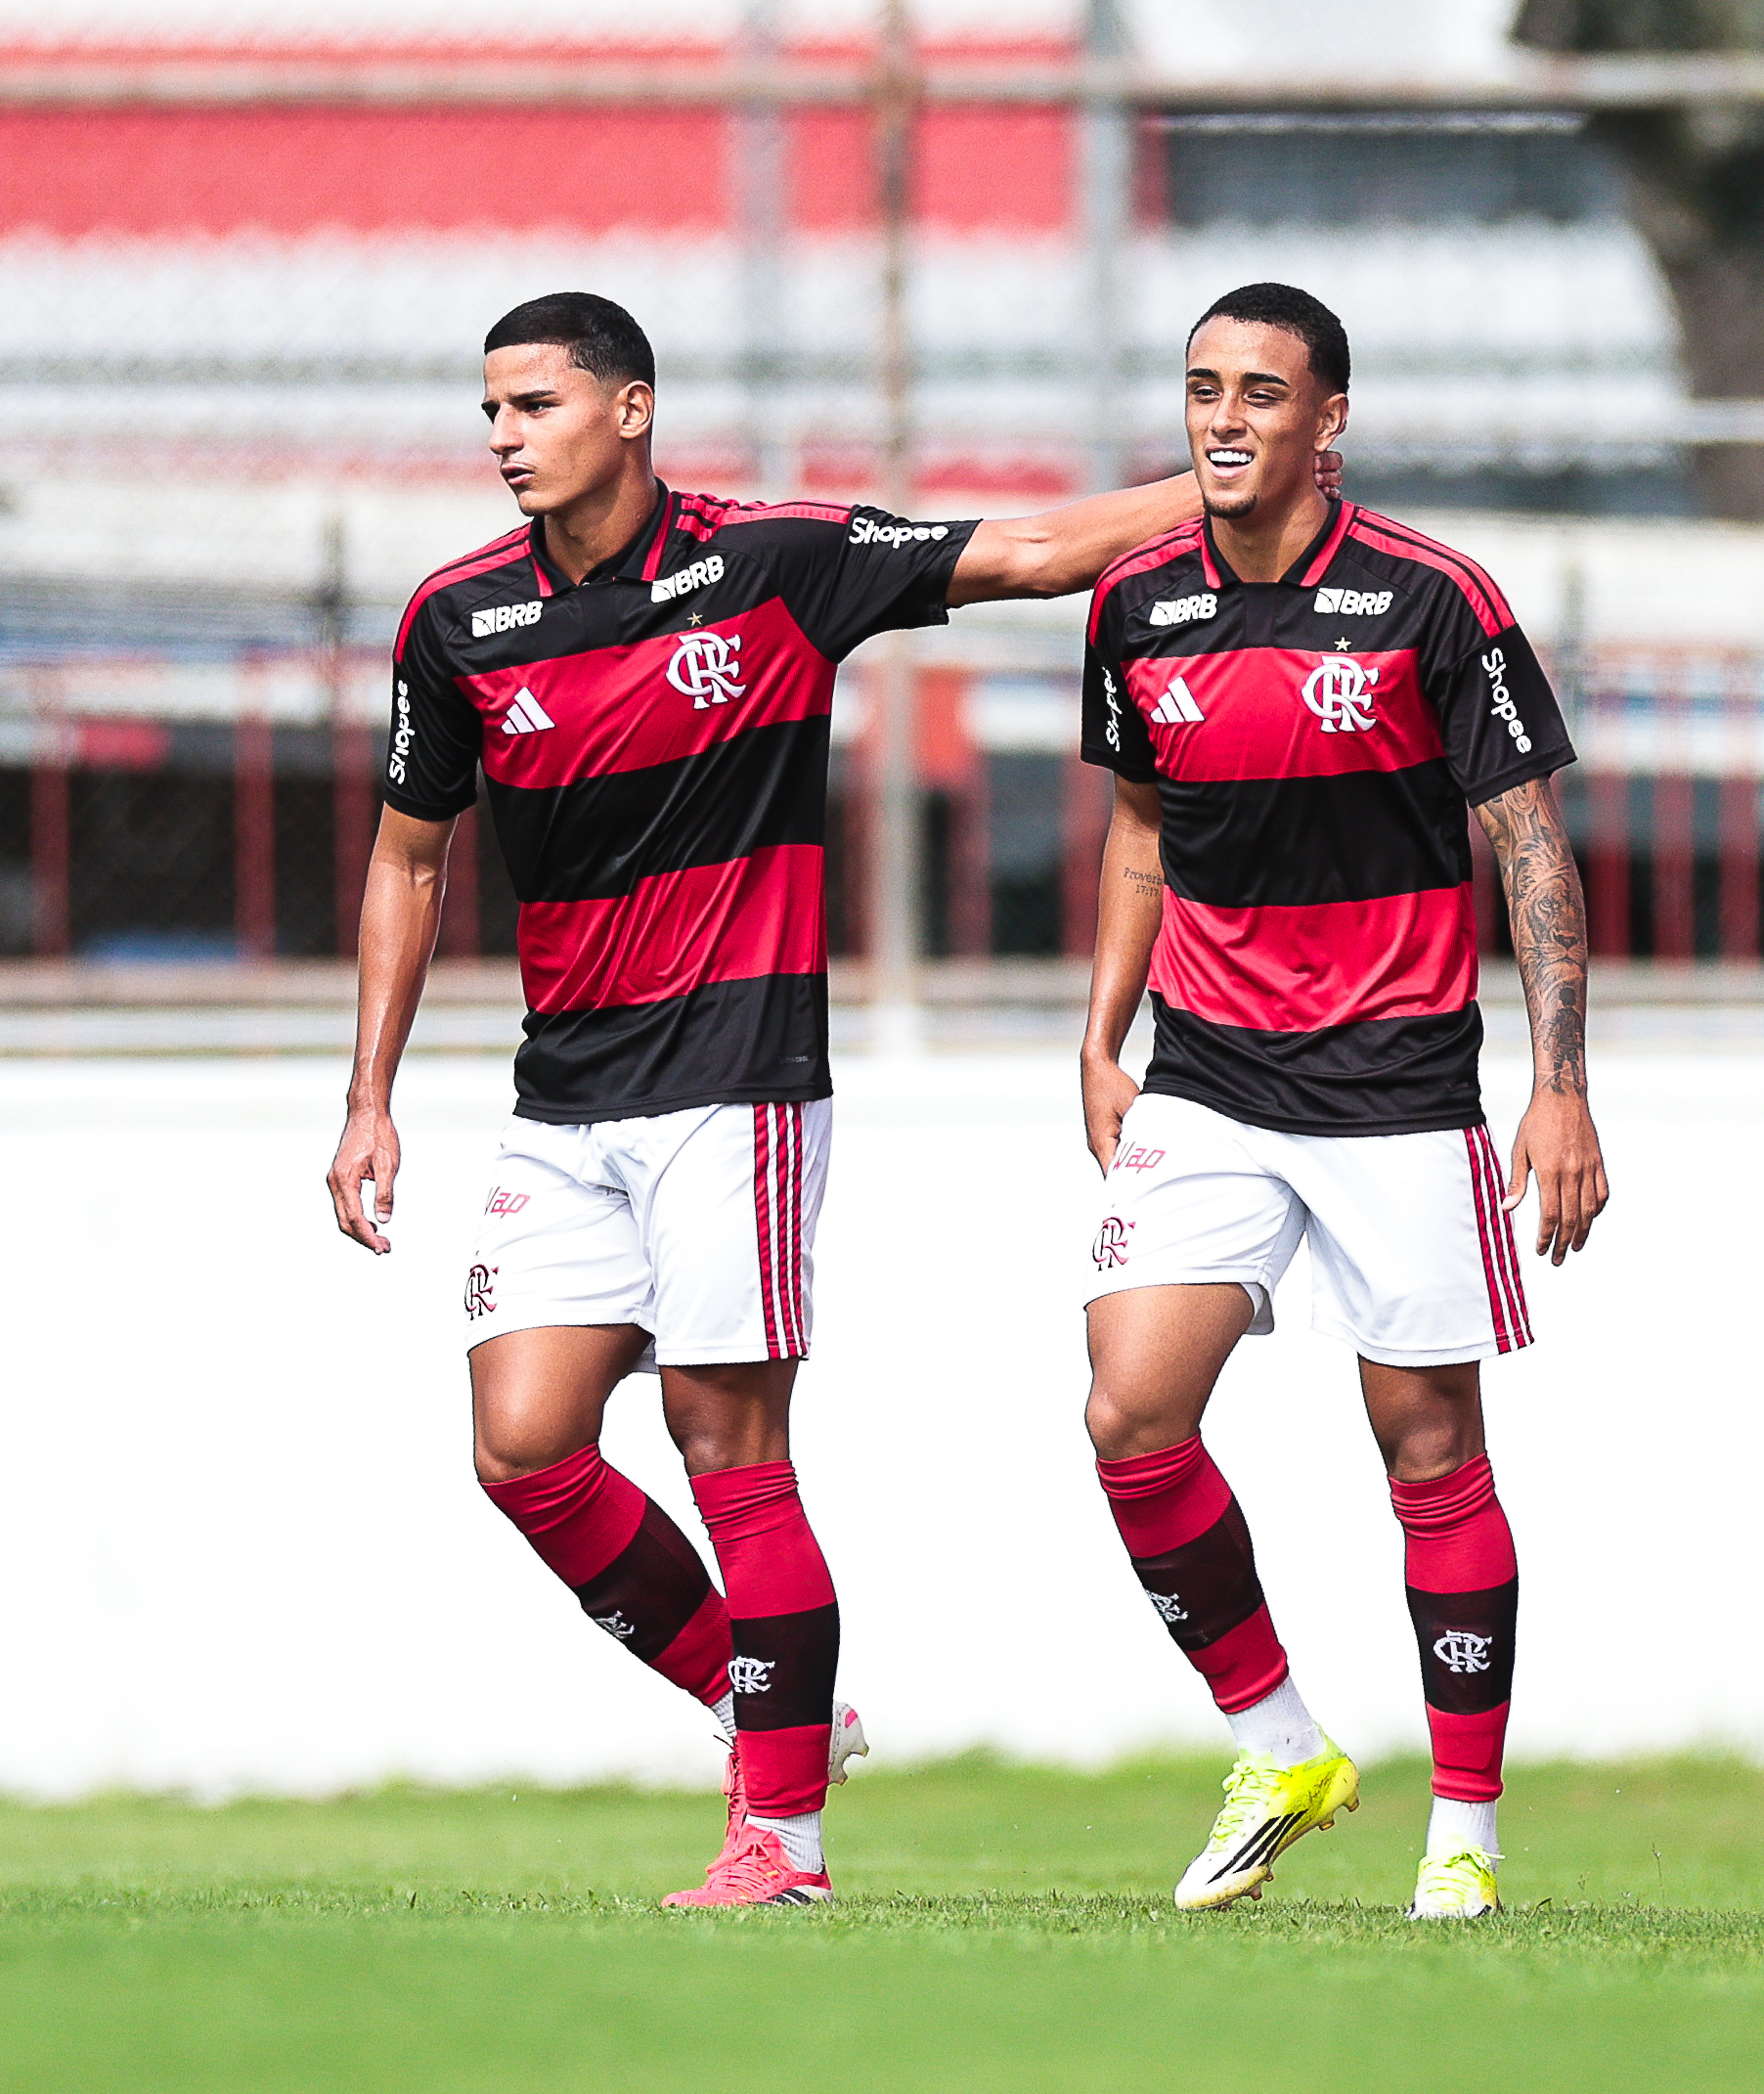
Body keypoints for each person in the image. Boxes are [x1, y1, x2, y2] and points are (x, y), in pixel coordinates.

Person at [325, 291, 1328, 1906]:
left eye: (535, 405)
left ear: (632, 410)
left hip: (737, 1082)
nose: (503, 438)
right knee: (523, 1448)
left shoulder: (775, 563)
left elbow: (1034, 551)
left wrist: (1222, 483)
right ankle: (775, 1699)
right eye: (490, 412)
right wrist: (368, 1096)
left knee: (726, 1438)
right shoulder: (457, 622)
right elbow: (407, 857)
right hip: (564, 1095)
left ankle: (779, 1839)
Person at [1075, 282, 1607, 1920]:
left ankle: (1464, 1825)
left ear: (1328, 421)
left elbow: (1527, 841)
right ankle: (1280, 1740)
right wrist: (1101, 1030)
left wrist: (1560, 1086)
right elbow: (1144, 832)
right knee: (1128, 1411)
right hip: (1211, 1077)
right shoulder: (1135, 603)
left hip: (1394, 1085)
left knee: (1428, 1444)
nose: (1224, 419)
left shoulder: (1432, 599)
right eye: (1201, 390)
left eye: (1260, 392)